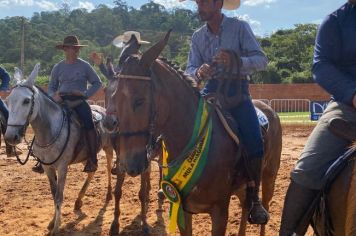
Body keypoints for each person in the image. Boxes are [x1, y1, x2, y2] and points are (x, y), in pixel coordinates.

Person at [184, 0, 269, 225]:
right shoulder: (197, 36)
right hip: (211, 91)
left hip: (237, 91)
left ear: (218, 4)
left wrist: (237, 61)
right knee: (181, 127)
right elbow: (189, 70)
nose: (199, 6)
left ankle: (253, 196)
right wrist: (198, 71)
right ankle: (178, 182)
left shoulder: (240, 27)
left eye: (204, 2)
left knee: (254, 139)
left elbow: (262, 60)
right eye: (198, 2)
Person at [279, 1, 356, 235]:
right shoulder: (335, 21)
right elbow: (321, 65)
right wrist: (353, 94)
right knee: (308, 168)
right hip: (348, 105)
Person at [34, 35, 102, 173]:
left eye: (74, 48)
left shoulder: (85, 66)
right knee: (45, 122)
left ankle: (92, 159)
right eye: (68, 48)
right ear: (64, 49)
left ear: (77, 50)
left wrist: (85, 94)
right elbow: (52, 86)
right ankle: (41, 159)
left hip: (79, 101)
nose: (71, 50)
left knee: (89, 124)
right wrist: (54, 95)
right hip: (61, 101)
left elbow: (97, 83)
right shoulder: (58, 67)